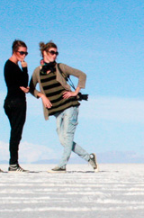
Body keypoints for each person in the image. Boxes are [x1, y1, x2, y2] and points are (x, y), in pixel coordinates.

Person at [29, 41, 98, 173]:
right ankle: (89, 159)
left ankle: (62, 165)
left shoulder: (60, 67)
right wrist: (42, 96)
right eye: (52, 52)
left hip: (70, 106)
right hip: (56, 111)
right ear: (44, 53)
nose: (54, 55)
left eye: (56, 53)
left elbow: (82, 75)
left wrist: (75, 92)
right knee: (63, 140)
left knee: (67, 136)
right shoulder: (38, 72)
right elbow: (31, 88)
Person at [4, 40, 30, 172]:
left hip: (14, 101)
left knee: (16, 133)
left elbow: (23, 84)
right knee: (16, 133)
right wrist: (24, 69)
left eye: (26, 53)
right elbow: (18, 84)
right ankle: (13, 163)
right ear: (15, 51)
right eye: (21, 52)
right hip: (15, 102)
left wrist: (24, 68)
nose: (24, 55)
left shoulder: (14, 65)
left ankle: (13, 163)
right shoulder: (10, 66)